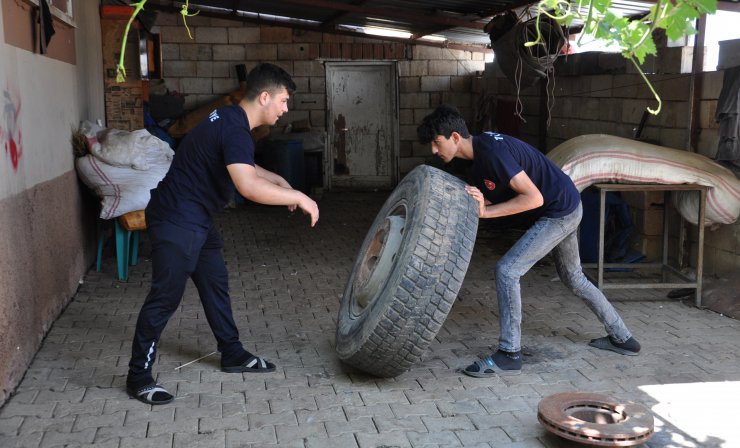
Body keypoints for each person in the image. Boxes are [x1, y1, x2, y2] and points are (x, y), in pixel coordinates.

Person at [126, 63, 319, 404]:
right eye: (284, 101)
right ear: (264, 97)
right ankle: (138, 376)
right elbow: (246, 185)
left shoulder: (231, 119)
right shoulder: (234, 127)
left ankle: (232, 353)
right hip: (176, 220)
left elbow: (245, 164)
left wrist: (280, 182)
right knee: (165, 298)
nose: (286, 108)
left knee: (215, 283)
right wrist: (299, 196)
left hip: (195, 218)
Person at [416, 104, 640, 378]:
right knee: (574, 278)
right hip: (565, 203)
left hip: (559, 211)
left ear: (454, 137)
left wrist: (487, 212)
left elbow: (533, 198)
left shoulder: (492, 152)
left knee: (507, 270)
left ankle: (510, 354)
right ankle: (624, 338)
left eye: (436, 143)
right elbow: (490, 195)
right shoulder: (474, 159)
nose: (434, 151)